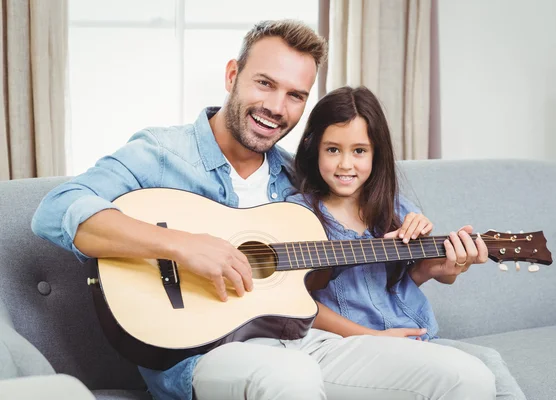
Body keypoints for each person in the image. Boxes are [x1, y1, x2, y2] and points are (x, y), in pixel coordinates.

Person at [30, 19, 510, 400]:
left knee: (465, 376)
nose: (277, 106)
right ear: (232, 76)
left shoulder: (299, 179)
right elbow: (58, 209)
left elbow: (332, 274)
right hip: (200, 353)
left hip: (303, 339)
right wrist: (183, 245)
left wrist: (427, 264)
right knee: (291, 381)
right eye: (265, 83)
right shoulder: (160, 153)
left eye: (296, 95)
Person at [287, 85, 527, 400]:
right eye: (333, 150)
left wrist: (449, 265)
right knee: (463, 379)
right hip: (354, 346)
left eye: (359, 151)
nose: (346, 164)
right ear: (313, 147)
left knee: (490, 363)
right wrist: (376, 337)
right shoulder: (297, 215)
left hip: (416, 335)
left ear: (376, 153)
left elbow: (419, 277)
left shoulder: (396, 208)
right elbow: (298, 305)